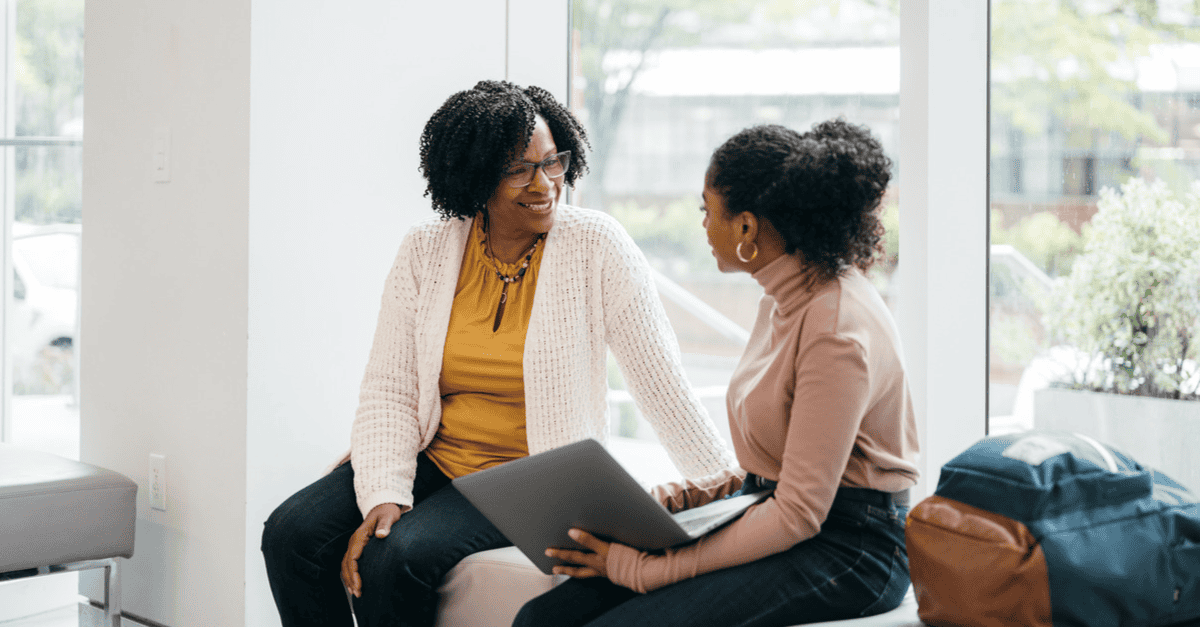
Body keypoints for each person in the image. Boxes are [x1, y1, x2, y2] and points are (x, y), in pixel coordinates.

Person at [260, 80, 734, 627]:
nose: (545, 183)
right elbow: (390, 387)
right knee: (290, 534)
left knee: (396, 556)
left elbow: (660, 381)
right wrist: (385, 493)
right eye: (519, 169)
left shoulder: (597, 245)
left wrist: (728, 490)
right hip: (433, 457)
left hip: (528, 476)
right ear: (474, 174)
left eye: (553, 162)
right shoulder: (425, 250)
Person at [514, 119, 921, 627]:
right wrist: (658, 505)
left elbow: (798, 514)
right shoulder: (784, 298)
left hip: (853, 548)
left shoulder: (836, 330)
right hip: (775, 509)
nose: (703, 225)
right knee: (543, 618)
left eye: (708, 211)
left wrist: (645, 570)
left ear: (747, 227)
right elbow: (770, 472)